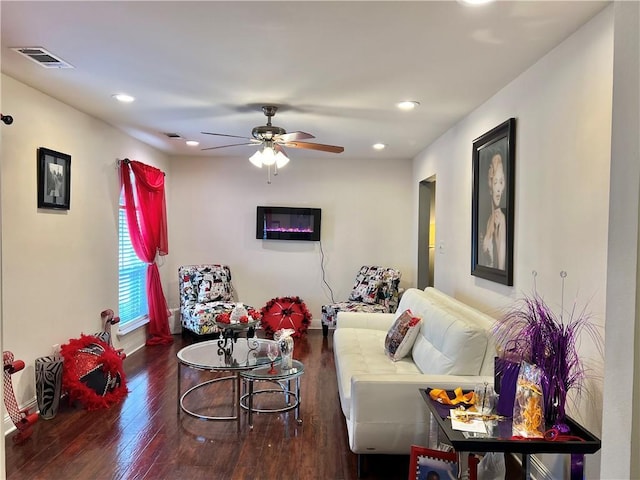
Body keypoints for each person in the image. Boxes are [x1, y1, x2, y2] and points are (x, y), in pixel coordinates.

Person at [481, 152, 506, 269]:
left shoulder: (500, 219)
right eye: (495, 182)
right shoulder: (489, 219)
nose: (498, 189)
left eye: (501, 182)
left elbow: (501, 267)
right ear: (490, 184)